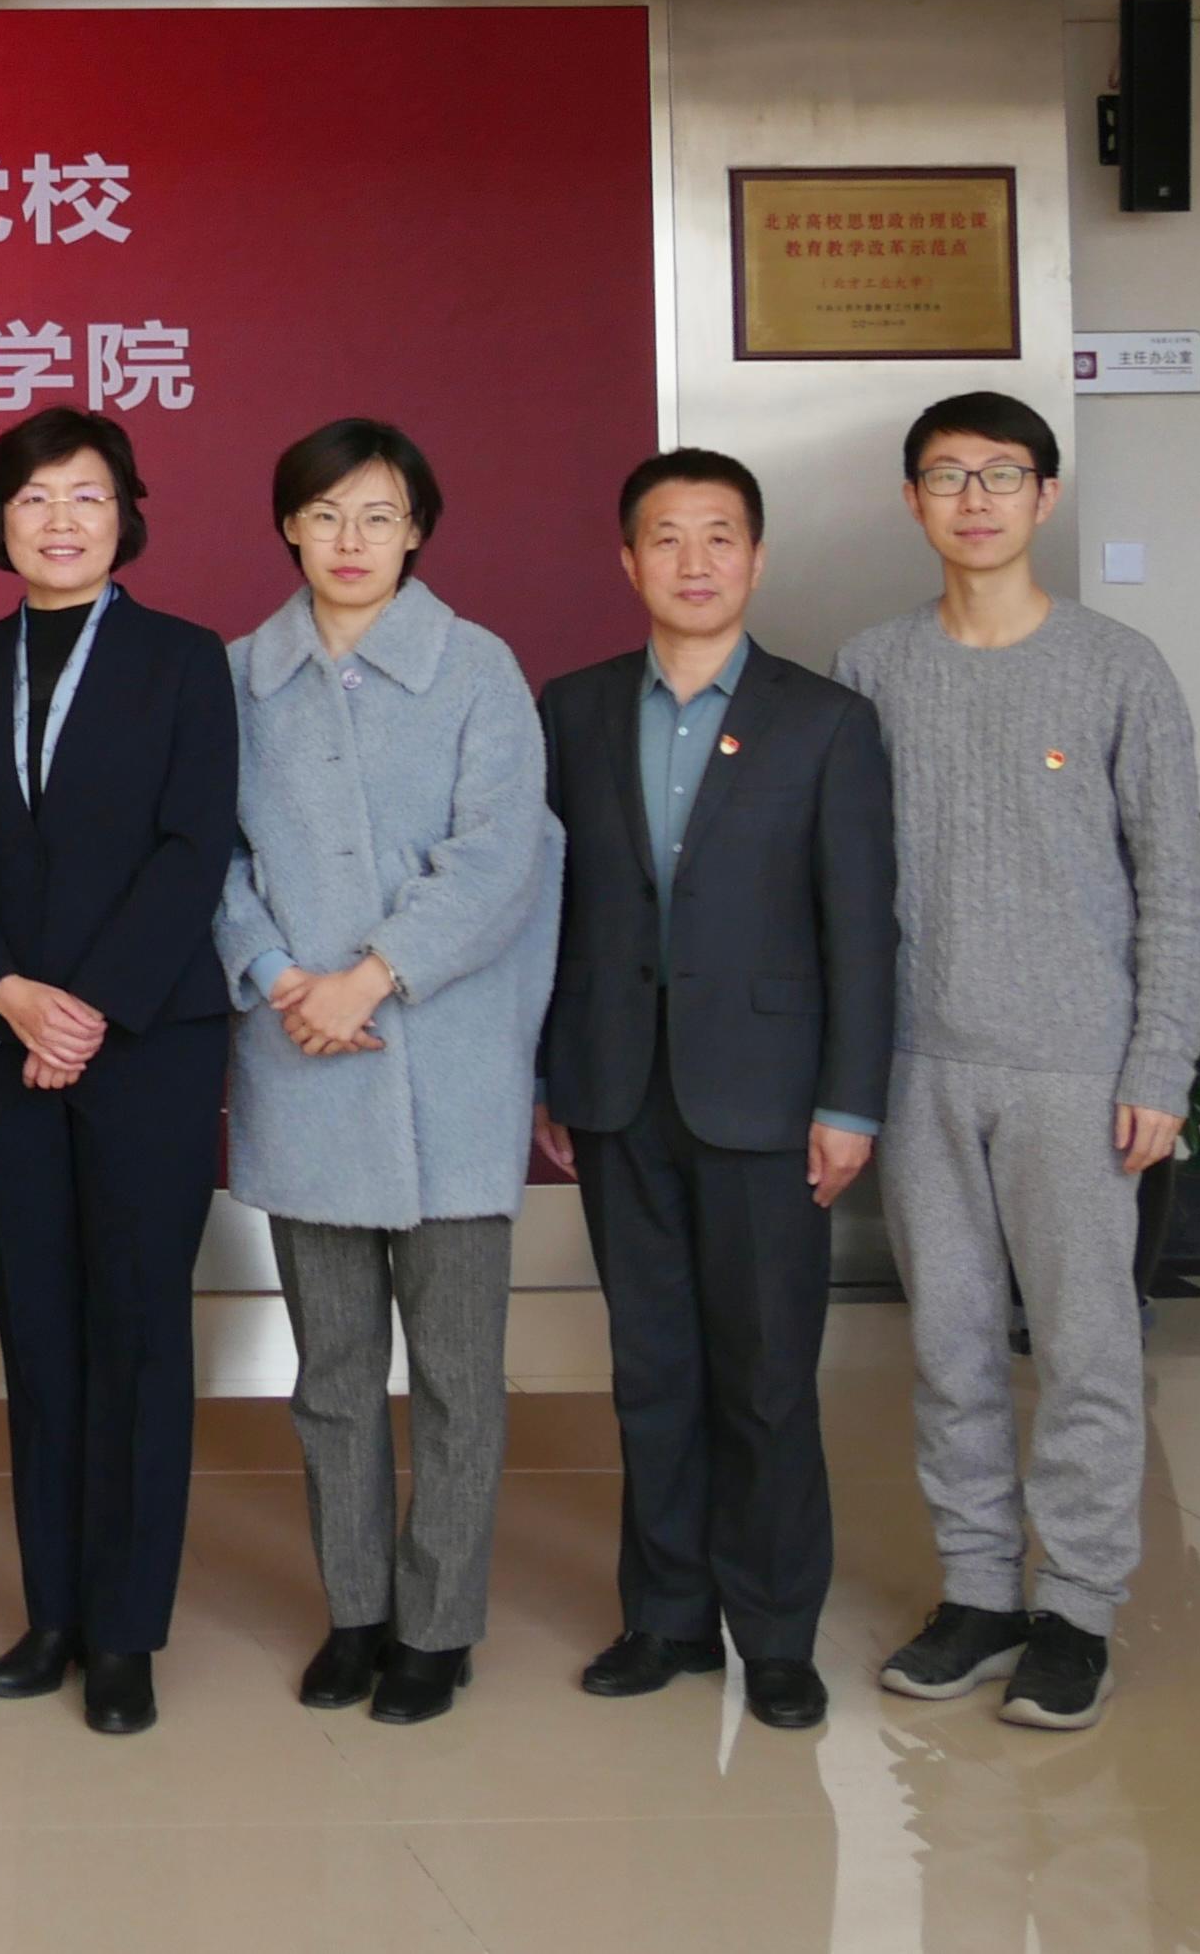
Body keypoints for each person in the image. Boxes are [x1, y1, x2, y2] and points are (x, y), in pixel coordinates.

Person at [842, 391, 1200, 1735]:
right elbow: (846, 881)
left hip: (1074, 1070)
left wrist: (1158, 1064)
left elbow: (1173, 884)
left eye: (1002, 475)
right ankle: (981, 1593)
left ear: (1045, 496)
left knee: (1085, 1349)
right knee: (947, 1350)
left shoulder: (1119, 668)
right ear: (912, 501)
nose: (976, 499)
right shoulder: (873, 666)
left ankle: (1078, 1612)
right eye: (947, 476)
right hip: (920, 1064)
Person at [531, 447, 896, 1735]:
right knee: (650, 1369)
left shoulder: (825, 719)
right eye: (666, 538)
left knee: (766, 1377)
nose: (694, 562)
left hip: (770, 1098)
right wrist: (550, 1071)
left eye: (719, 536)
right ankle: (666, 1616)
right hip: (616, 1088)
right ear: (627, 560)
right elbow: (552, 910)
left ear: (756, 557)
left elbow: (861, 927)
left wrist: (850, 1102)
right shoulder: (572, 709)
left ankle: (777, 1633)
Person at [215, 416, 559, 1729]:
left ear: (417, 530)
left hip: (447, 1067)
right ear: (288, 528)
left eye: (377, 515)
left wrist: (370, 976)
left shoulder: (477, 669)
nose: (350, 540)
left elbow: (499, 856)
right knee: (333, 1374)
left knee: (460, 1379)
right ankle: (354, 1610)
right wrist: (276, 975)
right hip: (302, 1061)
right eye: (325, 515)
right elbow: (212, 858)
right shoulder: (241, 678)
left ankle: (439, 1623)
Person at [0, 408, 241, 1738]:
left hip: (147, 1044)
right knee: (37, 1329)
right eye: (34, 498)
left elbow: (195, 847)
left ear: (126, 515)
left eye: (87, 496)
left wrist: (92, 1008)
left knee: (136, 1328)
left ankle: (125, 1630)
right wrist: (7, 989)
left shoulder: (185, 661)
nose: (60, 521)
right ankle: (52, 1610)